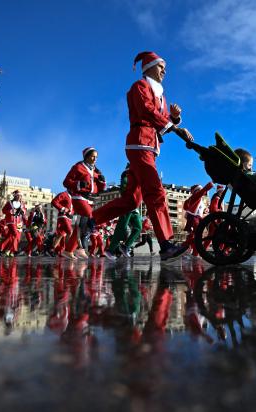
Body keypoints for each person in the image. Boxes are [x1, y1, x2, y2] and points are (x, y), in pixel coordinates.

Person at [91, 51, 194, 262]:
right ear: (148, 68)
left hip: (149, 146)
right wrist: (175, 128)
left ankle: (92, 221)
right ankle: (166, 245)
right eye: (160, 66)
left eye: (165, 67)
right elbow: (147, 111)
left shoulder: (162, 97)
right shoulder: (140, 87)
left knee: (132, 200)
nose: (165, 70)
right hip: (139, 144)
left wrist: (173, 119)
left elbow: (161, 124)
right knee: (156, 192)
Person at [62, 147, 106, 259]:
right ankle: (80, 249)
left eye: (96, 157)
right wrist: (78, 184)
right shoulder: (78, 167)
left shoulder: (96, 170)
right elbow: (66, 182)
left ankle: (69, 250)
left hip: (90, 199)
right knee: (89, 218)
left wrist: (102, 181)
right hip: (79, 197)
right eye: (92, 156)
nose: (95, 158)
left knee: (83, 225)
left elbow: (100, 189)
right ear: (86, 156)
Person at [105, 163, 143, 260]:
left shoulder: (137, 177)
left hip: (135, 207)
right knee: (121, 228)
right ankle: (110, 250)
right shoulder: (126, 177)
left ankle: (126, 246)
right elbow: (124, 190)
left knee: (138, 227)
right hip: (127, 205)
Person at [183, 182, 214, 255]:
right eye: (199, 190)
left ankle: (192, 251)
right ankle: (185, 247)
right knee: (197, 236)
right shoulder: (196, 196)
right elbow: (203, 191)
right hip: (194, 218)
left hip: (196, 218)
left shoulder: (198, 199)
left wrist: (205, 210)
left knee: (195, 235)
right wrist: (210, 184)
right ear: (196, 191)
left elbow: (199, 209)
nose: (201, 191)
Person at [0, 191, 27, 257]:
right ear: (15, 196)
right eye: (18, 196)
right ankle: (11, 249)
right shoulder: (9, 203)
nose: (19, 197)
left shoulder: (22, 203)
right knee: (15, 234)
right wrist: (10, 211)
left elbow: (24, 211)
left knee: (16, 237)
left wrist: (23, 212)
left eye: (20, 196)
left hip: (19, 222)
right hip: (11, 221)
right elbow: (3, 210)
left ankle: (8, 251)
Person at [51, 191, 74, 257]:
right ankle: (68, 251)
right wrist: (63, 208)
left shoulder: (73, 196)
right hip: (63, 216)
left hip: (69, 218)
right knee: (70, 232)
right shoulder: (64, 194)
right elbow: (54, 201)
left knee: (60, 234)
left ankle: (51, 250)